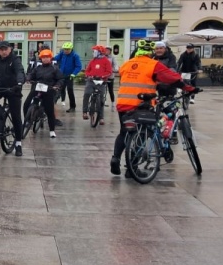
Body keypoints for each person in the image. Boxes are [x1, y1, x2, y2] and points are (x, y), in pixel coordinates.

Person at [110, 45, 195, 177]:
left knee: (124, 132)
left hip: (123, 103)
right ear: (150, 54)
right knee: (142, 133)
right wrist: (188, 88)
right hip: (141, 104)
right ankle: (131, 169)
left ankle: (115, 158)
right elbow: (172, 78)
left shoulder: (127, 63)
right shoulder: (153, 64)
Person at [26, 49, 63, 138]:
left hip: (49, 89)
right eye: (43, 57)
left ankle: (52, 130)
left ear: (50, 58)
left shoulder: (54, 68)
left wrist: (57, 85)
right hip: (38, 88)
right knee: (26, 103)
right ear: (41, 58)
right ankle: (27, 121)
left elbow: (61, 79)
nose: (45, 59)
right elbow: (31, 74)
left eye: (47, 57)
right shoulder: (38, 68)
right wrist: (28, 78)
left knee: (49, 110)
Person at [82, 45, 114, 124]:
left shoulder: (106, 61)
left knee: (101, 99)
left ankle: (101, 117)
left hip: (101, 81)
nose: (93, 53)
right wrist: (88, 75)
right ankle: (84, 111)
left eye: (94, 51)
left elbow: (109, 72)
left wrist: (103, 76)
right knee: (87, 93)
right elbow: (87, 70)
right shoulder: (92, 61)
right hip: (91, 80)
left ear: (99, 52)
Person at [54, 42, 82, 113]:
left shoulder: (75, 56)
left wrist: (74, 74)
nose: (66, 51)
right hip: (61, 75)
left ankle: (72, 107)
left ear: (71, 49)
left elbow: (78, 66)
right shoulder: (62, 53)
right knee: (58, 89)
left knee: (70, 91)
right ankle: (53, 103)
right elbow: (55, 59)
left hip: (70, 76)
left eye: (67, 49)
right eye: (65, 49)